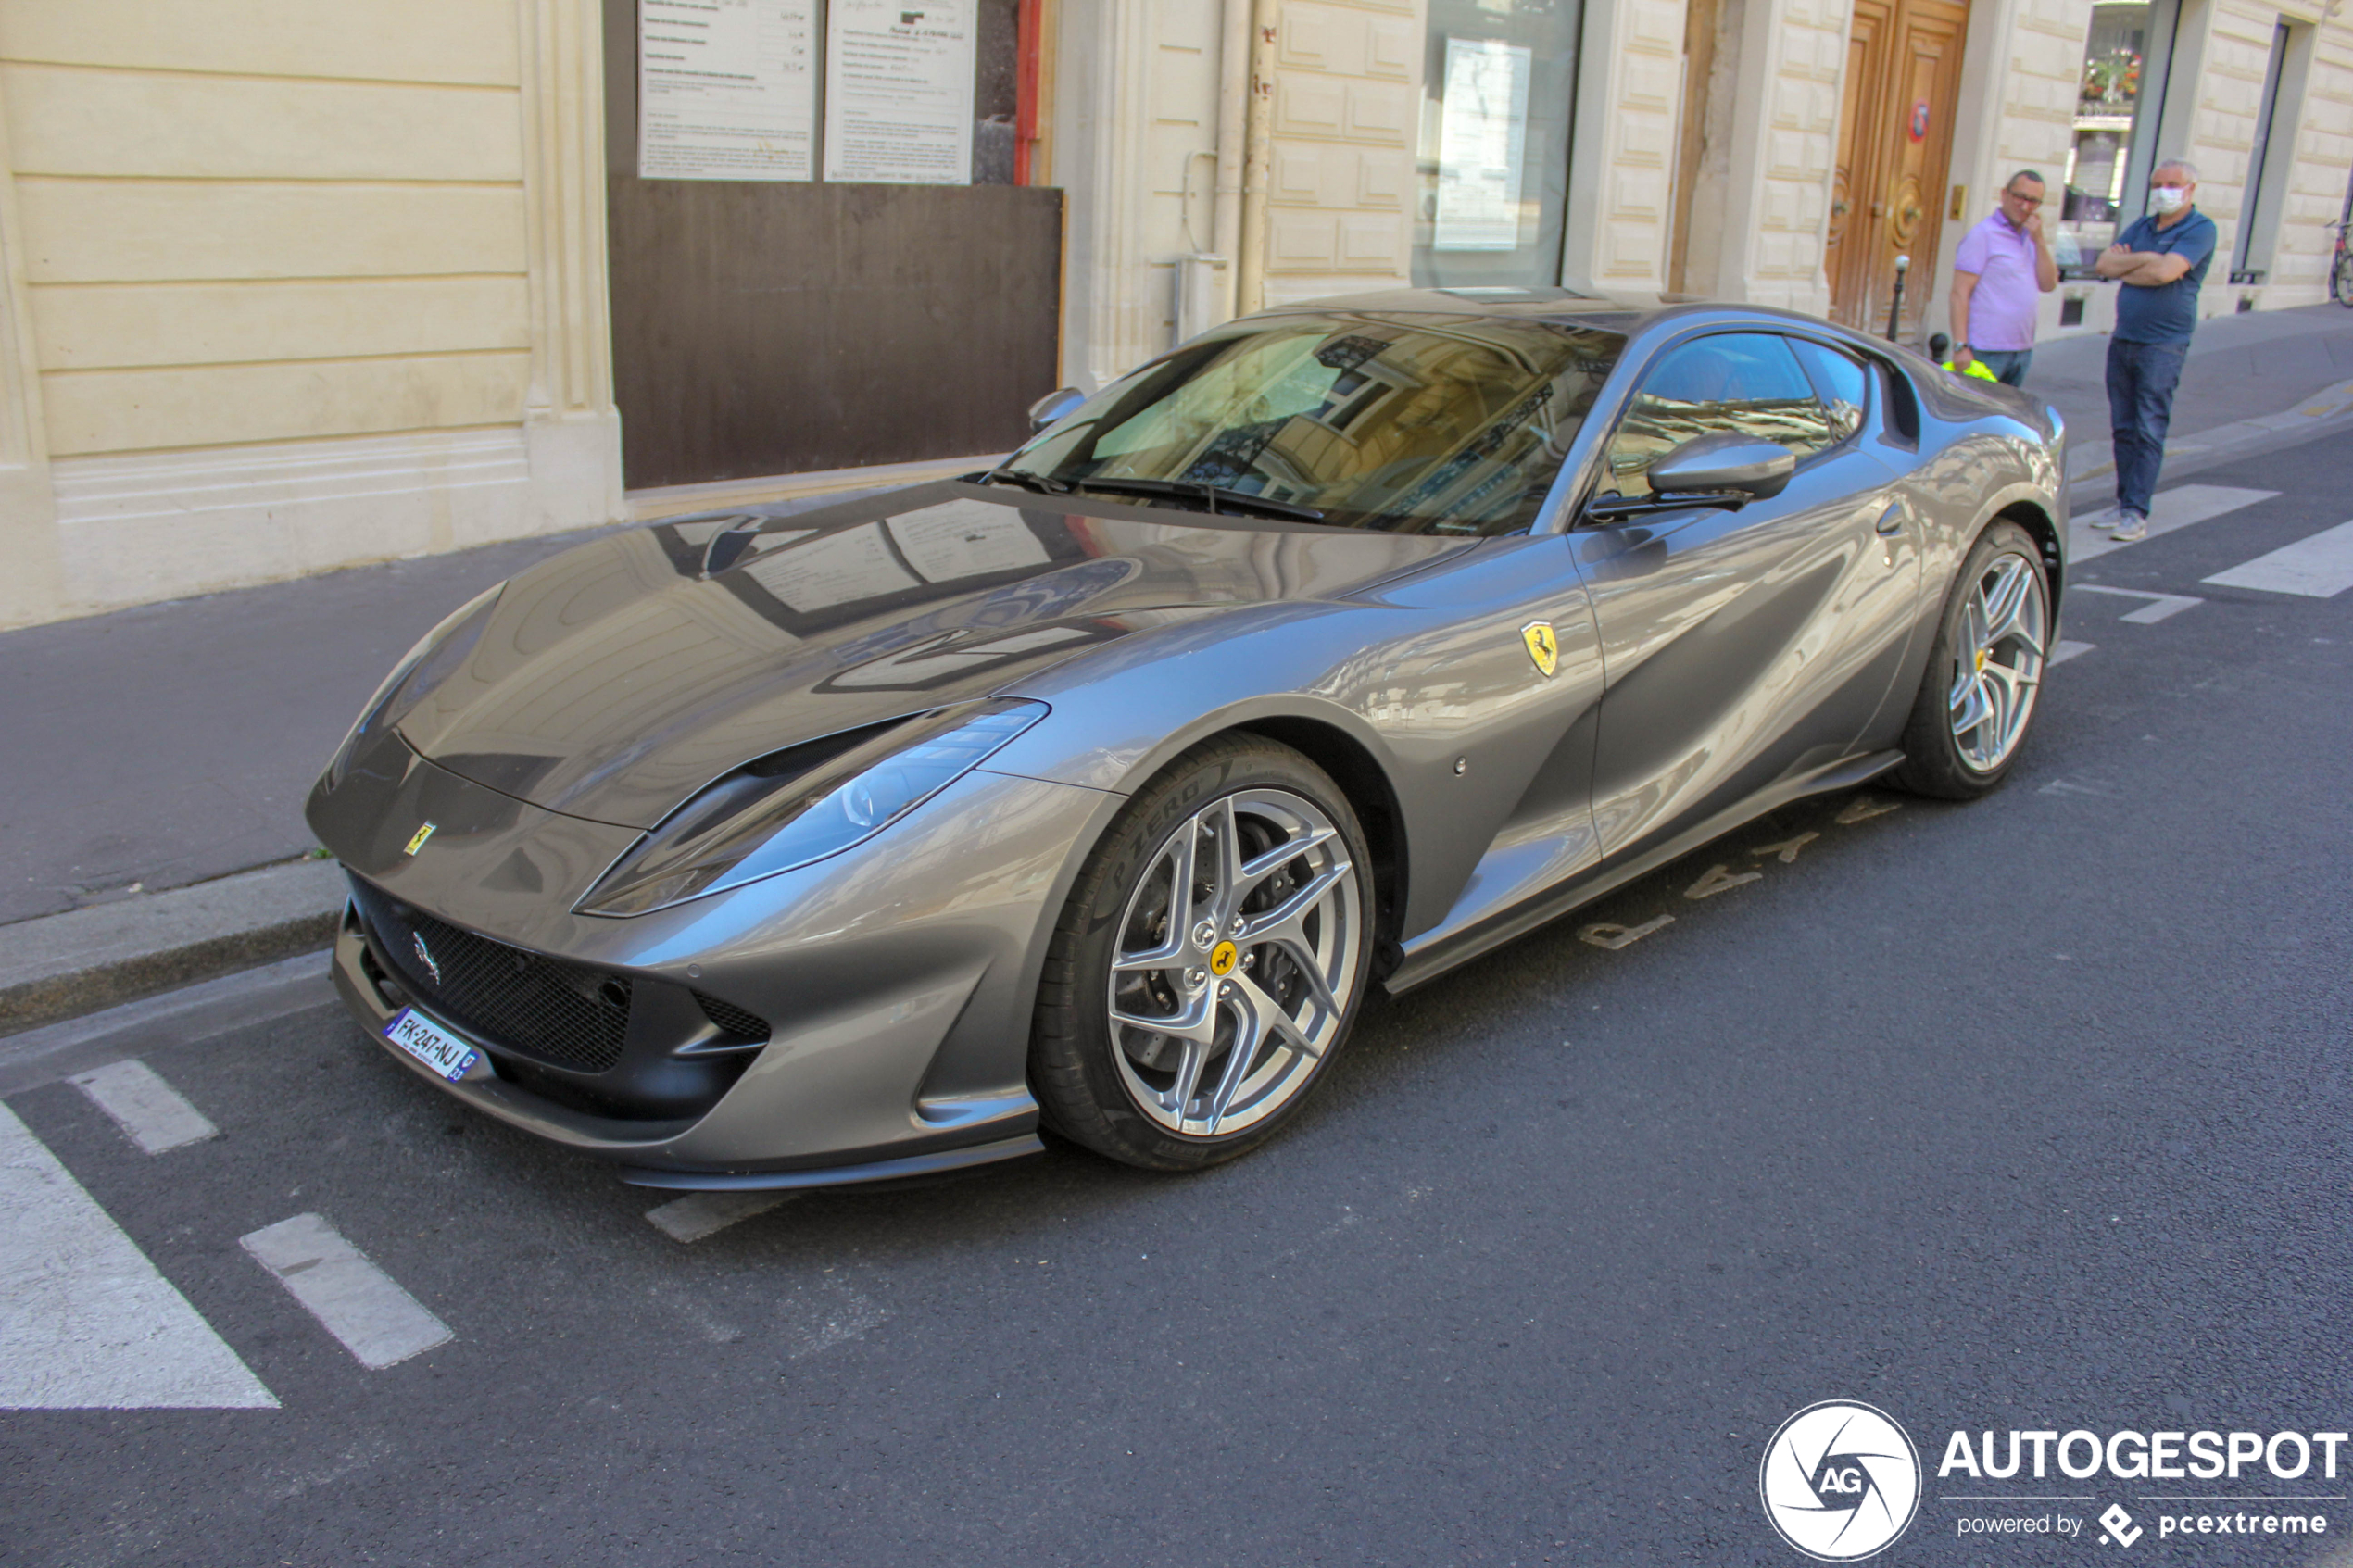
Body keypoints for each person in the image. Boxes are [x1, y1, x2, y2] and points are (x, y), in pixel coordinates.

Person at [2093, 159, 2218, 542]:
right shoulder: (2144, 226)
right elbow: (2104, 264)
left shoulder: (2200, 229)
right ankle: (2123, 501)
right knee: (2123, 427)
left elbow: (2166, 273)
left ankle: (2136, 510)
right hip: (2125, 336)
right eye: (2159, 183)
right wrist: (2148, 259)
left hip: (2163, 343)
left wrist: (2134, 266)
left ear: (2190, 189)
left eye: (2173, 184)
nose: (2165, 190)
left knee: (2149, 427)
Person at [1948, 171, 2059, 385]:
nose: (2025, 206)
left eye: (2033, 201)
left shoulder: (2032, 238)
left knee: (2006, 416)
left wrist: (2040, 241)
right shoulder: (1983, 235)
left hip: (2021, 349)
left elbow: (2048, 284)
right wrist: (1960, 346)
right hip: (1986, 349)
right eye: (2020, 197)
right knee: (1979, 414)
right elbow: (1959, 293)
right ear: (2004, 194)